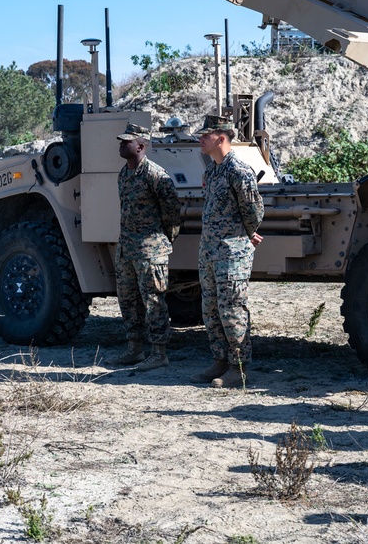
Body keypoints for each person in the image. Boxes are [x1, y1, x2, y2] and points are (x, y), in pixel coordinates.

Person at [191, 115, 265, 388]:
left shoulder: (239, 171)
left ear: (221, 138)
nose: (200, 139)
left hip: (232, 254)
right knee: (210, 309)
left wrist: (245, 234)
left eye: (205, 135)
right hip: (210, 251)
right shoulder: (211, 172)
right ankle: (220, 361)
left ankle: (238, 368)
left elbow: (254, 211)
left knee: (232, 308)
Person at [112, 123, 183, 371]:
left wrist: (162, 241)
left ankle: (159, 352)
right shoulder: (124, 174)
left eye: (126, 141)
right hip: (127, 250)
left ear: (141, 146)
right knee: (128, 301)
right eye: (121, 141)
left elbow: (173, 213)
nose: (121, 145)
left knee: (154, 302)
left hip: (150, 251)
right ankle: (134, 349)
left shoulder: (156, 175)